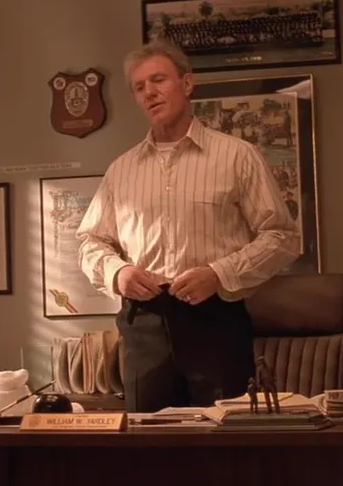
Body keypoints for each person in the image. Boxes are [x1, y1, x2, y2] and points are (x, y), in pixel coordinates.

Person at [76, 39, 300, 413]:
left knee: (223, 436)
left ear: (187, 83)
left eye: (158, 80)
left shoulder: (237, 157)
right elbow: (90, 241)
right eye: (139, 87)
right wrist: (118, 272)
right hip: (145, 323)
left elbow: (282, 236)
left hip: (215, 319)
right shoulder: (121, 170)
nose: (149, 92)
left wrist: (219, 273)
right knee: (148, 440)